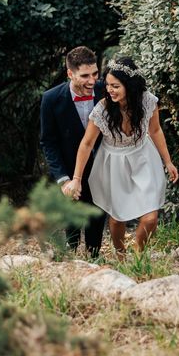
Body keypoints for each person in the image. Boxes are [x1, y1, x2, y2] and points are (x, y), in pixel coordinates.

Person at [66, 56, 179, 257]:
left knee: (150, 218)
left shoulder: (147, 101)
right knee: (117, 219)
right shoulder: (103, 109)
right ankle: (120, 255)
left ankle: (138, 253)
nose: (110, 90)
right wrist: (76, 179)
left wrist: (168, 161)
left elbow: (155, 131)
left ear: (129, 85)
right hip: (113, 162)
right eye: (108, 85)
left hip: (143, 158)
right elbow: (87, 143)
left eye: (115, 86)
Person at [40, 46, 107, 258]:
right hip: (69, 170)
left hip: (101, 166)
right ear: (70, 74)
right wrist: (63, 179)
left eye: (95, 74)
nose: (92, 80)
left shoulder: (107, 90)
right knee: (71, 223)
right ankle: (70, 259)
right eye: (85, 75)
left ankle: (94, 258)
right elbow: (48, 142)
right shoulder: (51, 99)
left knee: (96, 218)